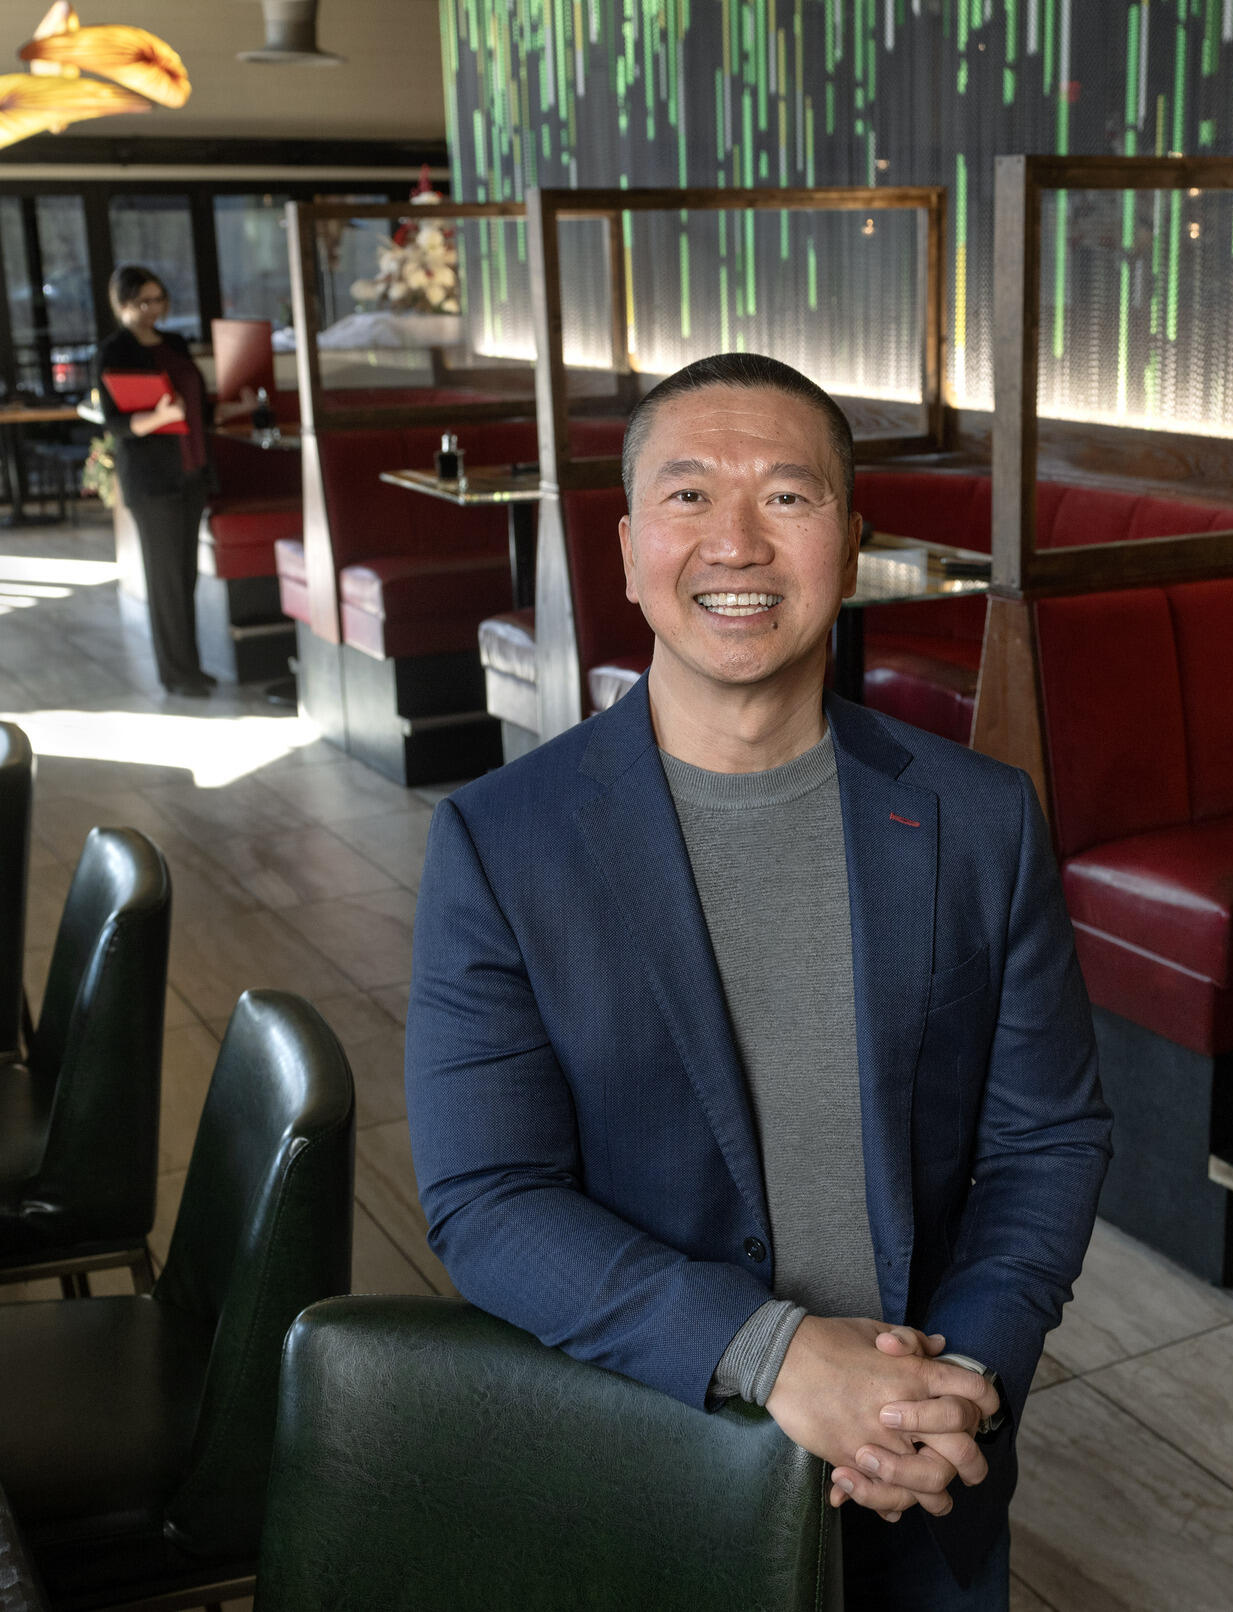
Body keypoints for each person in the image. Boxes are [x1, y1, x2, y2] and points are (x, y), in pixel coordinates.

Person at [405, 352, 1111, 1608]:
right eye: (688, 497)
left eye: (787, 497)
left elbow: (1044, 1140)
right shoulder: (501, 842)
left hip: (923, 1472)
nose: (735, 542)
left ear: (852, 545)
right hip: (652, 1464)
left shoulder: (981, 819)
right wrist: (771, 1353)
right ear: (629, 551)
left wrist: (954, 1387)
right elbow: (488, 1199)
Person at [91, 264, 244, 697]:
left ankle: (190, 666)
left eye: (159, 300)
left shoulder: (174, 343)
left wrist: (237, 408)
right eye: (144, 302)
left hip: (192, 471)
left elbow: (196, 407)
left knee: (186, 576)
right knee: (166, 581)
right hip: (152, 480)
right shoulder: (113, 352)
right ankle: (177, 674)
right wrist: (159, 417)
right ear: (122, 304)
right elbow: (115, 424)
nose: (153, 309)